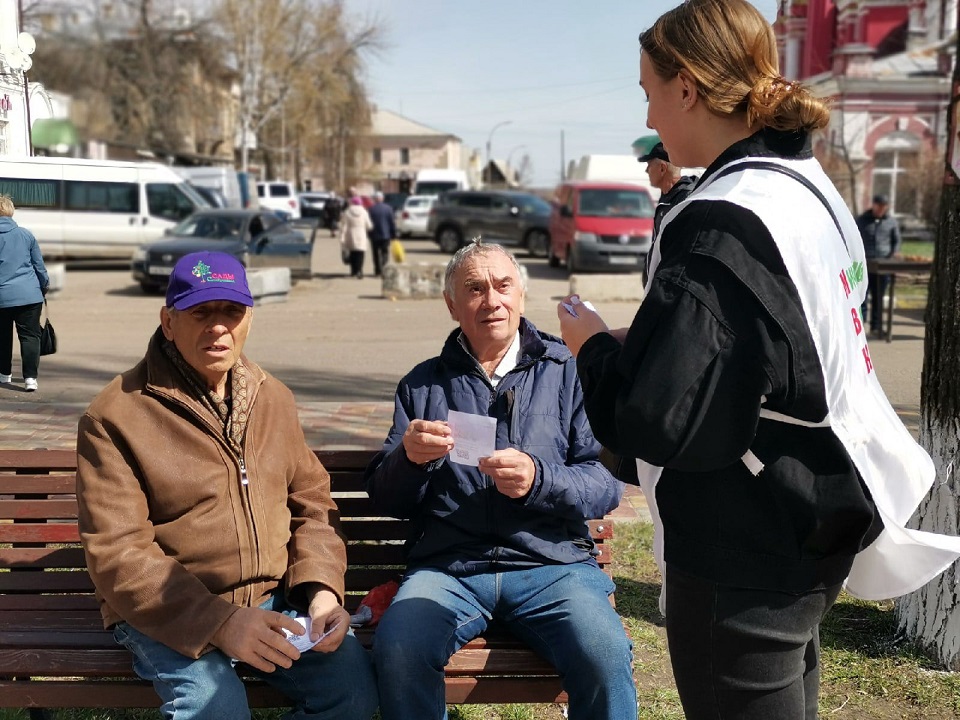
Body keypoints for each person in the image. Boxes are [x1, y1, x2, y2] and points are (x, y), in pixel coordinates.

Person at [558, 1, 960, 718]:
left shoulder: (725, 217)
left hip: (743, 540)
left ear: (687, 88)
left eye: (648, 86)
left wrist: (590, 344)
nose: (647, 105)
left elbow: (652, 419)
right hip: (811, 508)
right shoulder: (801, 184)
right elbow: (768, 343)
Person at [76, 251, 378, 720]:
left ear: (249, 319)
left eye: (231, 312)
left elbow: (313, 505)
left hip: (274, 598)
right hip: (169, 609)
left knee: (353, 693)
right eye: (200, 312)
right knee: (215, 707)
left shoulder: (272, 397)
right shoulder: (115, 415)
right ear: (168, 321)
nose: (218, 327)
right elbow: (117, 553)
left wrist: (320, 591)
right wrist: (221, 622)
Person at [364, 240, 636, 720]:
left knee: (603, 650)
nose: (492, 300)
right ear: (452, 304)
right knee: (401, 647)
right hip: (449, 569)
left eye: (503, 285)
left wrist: (539, 479)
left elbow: (605, 484)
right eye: (474, 288)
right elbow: (388, 497)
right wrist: (409, 458)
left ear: (521, 296)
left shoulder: (568, 372)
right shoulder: (422, 384)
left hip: (551, 564)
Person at [0, 194, 49, 392]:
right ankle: (30, 379)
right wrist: (43, 286)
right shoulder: (26, 235)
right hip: (29, 295)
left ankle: (4, 375)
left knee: (2, 337)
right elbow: (39, 266)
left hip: (2, 297)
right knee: (29, 336)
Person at [637, 141, 698, 282]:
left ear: (662, 169)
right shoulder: (669, 196)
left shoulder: (685, 200)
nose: (646, 171)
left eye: (649, 165)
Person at [857, 193, 901, 336]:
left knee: (878, 297)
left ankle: (876, 327)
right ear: (874, 205)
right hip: (865, 264)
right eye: (879, 206)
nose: (881, 209)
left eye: (884, 207)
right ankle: (861, 327)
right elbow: (855, 238)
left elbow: (896, 241)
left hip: (884, 265)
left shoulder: (891, 222)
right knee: (862, 297)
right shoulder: (862, 220)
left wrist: (894, 253)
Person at [339, 196, 372, 279]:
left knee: (353, 253)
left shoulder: (347, 212)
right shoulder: (364, 212)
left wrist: (342, 236)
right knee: (360, 253)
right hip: (361, 234)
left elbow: (344, 225)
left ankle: (353, 271)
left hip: (351, 234)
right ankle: (360, 271)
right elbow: (369, 225)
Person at [367, 191, 397, 277]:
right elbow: (392, 222)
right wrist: (393, 234)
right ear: (382, 198)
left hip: (374, 235)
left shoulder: (371, 209)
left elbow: (368, 222)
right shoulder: (388, 208)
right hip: (385, 234)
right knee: (385, 253)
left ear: (375, 199)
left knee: (375, 254)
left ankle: (377, 271)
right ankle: (384, 269)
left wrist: (368, 234)